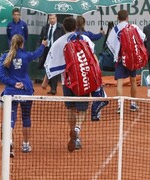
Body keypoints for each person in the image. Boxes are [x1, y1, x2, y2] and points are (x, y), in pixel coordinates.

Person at [44, 17, 96, 152]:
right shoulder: (84, 39)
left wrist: (45, 81)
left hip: (67, 81)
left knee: (71, 108)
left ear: (64, 28)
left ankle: (73, 131)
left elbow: (51, 63)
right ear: (75, 27)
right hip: (82, 79)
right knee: (83, 108)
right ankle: (77, 132)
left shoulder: (58, 42)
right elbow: (92, 57)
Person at [0, 34, 47, 157]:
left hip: (11, 93)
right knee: (26, 117)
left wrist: (13, 83)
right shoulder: (26, 56)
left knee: (11, 118)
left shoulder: (5, 56)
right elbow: (37, 54)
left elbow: (0, 76)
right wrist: (43, 45)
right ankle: (25, 144)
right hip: (26, 91)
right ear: (21, 44)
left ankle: (9, 141)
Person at [106, 10, 146, 113]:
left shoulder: (115, 29)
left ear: (117, 18)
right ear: (127, 17)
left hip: (120, 59)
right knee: (133, 80)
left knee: (119, 82)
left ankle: (120, 106)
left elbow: (109, 43)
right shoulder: (134, 27)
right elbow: (143, 38)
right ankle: (133, 104)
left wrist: (117, 52)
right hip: (131, 59)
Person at [75, 15, 108, 120]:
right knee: (96, 87)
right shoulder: (87, 35)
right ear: (84, 24)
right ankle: (96, 110)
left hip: (78, 68)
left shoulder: (72, 36)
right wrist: (101, 33)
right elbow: (96, 37)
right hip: (89, 65)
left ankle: (87, 109)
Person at [38, 14, 65, 95]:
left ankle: (54, 88)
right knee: (47, 68)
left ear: (56, 18)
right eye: (50, 18)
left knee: (54, 69)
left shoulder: (61, 27)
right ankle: (50, 84)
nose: (52, 20)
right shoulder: (45, 28)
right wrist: (41, 46)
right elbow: (40, 38)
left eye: (53, 18)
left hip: (56, 51)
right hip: (47, 50)